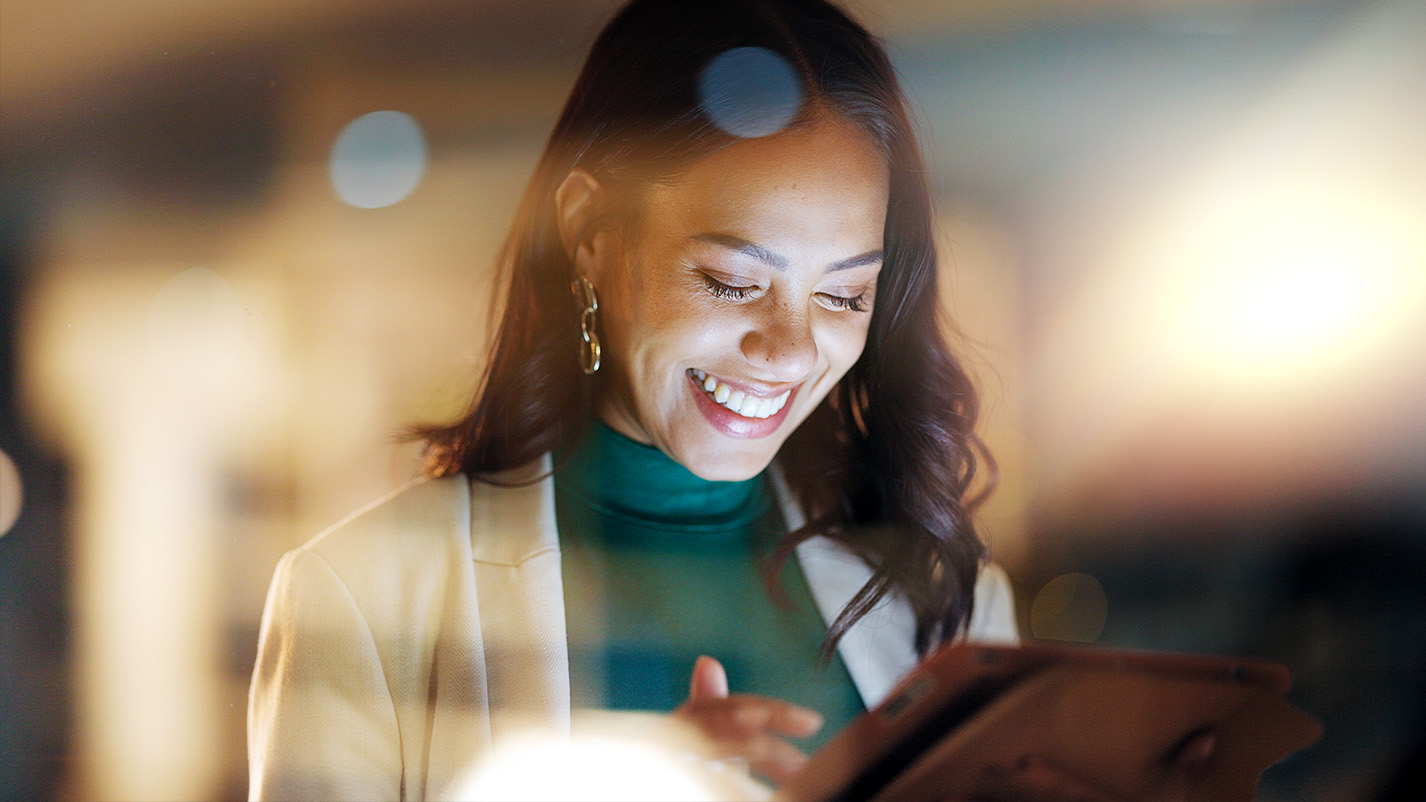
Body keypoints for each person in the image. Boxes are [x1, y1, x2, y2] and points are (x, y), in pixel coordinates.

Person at [247, 0, 1020, 799]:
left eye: (844, 296)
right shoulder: (360, 595)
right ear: (589, 232)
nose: (789, 349)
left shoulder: (945, 598)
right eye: (733, 281)